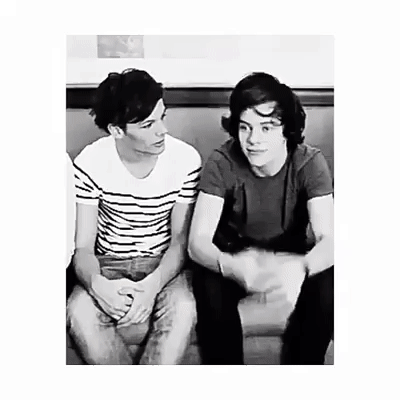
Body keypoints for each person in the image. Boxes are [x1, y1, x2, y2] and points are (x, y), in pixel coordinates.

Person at [188, 72, 334, 365]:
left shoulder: (308, 161)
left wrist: (300, 267)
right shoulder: (222, 161)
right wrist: (231, 266)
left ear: (287, 129)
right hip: (232, 252)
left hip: (290, 252)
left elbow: (329, 239)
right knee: (209, 283)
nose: (253, 140)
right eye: (245, 128)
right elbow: (197, 242)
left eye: (266, 128)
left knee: (329, 283)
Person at [66, 68, 201, 365]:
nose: (162, 131)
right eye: (148, 125)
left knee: (184, 309)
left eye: (162, 117)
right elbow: (83, 246)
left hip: (164, 264)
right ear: (117, 130)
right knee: (78, 313)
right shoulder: (90, 163)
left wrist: (152, 286)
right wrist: (97, 285)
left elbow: (180, 241)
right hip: (108, 262)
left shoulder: (186, 160)